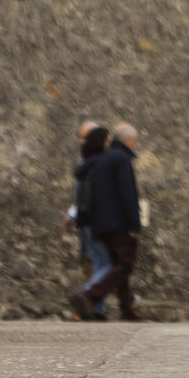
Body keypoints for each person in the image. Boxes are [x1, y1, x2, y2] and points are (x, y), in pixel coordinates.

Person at [69, 123, 142, 322]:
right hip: (119, 224)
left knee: (120, 265)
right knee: (125, 265)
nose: (135, 145)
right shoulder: (121, 159)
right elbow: (128, 194)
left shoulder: (103, 159)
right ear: (128, 141)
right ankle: (89, 295)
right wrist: (134, 225)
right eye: (135, 141)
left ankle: (127, 311)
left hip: (102, 223)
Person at [72, 125, 111, 319]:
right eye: (108, 141)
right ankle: (86, 297)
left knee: (97, 263)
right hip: (98, 220)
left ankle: (96, 309)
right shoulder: (100, 165)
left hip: (85, 220)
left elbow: (79, 197)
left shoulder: (84, 165)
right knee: (108, 265)